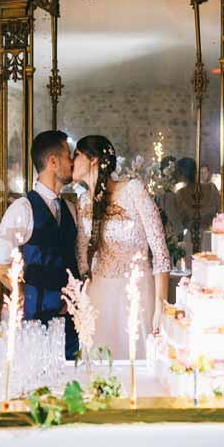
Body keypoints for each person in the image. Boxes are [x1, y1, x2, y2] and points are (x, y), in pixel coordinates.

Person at [73, 135, 170, 359]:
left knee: (136, 364)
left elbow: (160, 252)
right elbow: (82, 255)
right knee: (98, 365)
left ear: (93, 159)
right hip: (97, 297)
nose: (72, 160)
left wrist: (160, 306)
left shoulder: (133, 190)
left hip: (135, 293)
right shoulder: (84, 201)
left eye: (76, 154)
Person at [0, 130, 80, 360]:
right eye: (68, 156)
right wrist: (25, 296)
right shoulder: (22, 209)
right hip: (35, 326)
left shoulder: (71, 209)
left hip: (71, 326)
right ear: (53, 162)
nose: (72, 162)